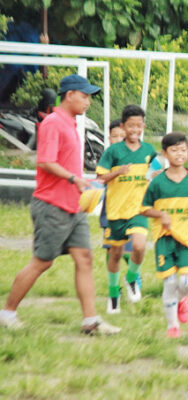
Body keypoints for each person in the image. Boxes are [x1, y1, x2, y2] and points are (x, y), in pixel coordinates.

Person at [0, 74, 120, 335]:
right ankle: (7, 313)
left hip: (73, 205)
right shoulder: (54, 122)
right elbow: (44, 162)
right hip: (52, 205)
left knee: (85, 258)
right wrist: (74, 178)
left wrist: (85, 181)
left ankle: (90, 321)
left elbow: (65, 163)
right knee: (42, 261)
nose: (88, 101)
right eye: (85, 96)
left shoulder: (71, 123)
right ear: (70, 95)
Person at [141, 132, 188, 338]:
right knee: (169, 283)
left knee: (187, 283)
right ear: (164, 153)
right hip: (164, 239)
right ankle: (172, 327)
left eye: (183, 150)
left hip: (187, 238)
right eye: (174, 150)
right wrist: (161, 214)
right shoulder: (157, 183)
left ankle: (182, 300)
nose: (180, 154)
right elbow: (144, 209)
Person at [96, 105, 157, 311]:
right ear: (123, 126)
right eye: (130, 125)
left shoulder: (149, 151)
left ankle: (131, 277)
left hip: (138, 209)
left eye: (138, 126)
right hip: (115, 211)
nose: (134, 129)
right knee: (115, 253)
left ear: (143, 127)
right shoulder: (113, 151)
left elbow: (157, 172)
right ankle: (113, 294)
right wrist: (118, 172)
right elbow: (100, 178)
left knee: (139, 247)